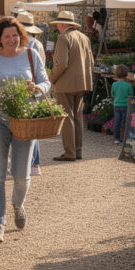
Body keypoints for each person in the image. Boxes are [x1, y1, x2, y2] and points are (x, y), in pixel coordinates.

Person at [0, 16, 51, 243]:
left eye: (15, 35)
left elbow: (46, 82)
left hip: (25, 120)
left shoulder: (32, 54)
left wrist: (38, 87)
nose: (12, 39)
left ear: (21, 35)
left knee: (21, 175)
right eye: (7, 36)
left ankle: (18, 204)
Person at [49, 11, 93, 161]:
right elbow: (91, 62)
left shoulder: (63, 38)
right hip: (82, 83)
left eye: (58, 25)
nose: (57, 28)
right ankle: (78, 151)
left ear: (62, 25)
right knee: (77, 117)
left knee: (67, 118)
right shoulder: (84, 37)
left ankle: (70, 152)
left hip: (65, 84)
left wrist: (51, 79)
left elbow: (61, 64)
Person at [16, 11, 46, 175]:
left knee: (25, 128)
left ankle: (31, 163)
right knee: (32, 127)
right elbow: (42, 69)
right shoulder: (38, 44)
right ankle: (34, 164)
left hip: (26, 88)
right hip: (36, 88)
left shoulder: (25, 45)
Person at [110, 64, 134, 144]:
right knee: (125, 123)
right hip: (125, 106)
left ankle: (116, 139)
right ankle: (125, 138)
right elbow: (131, 95)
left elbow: (112, 94)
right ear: (126, 74)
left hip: (116, 105)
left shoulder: (114, 84)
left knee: (117, 123)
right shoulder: (128, 85)